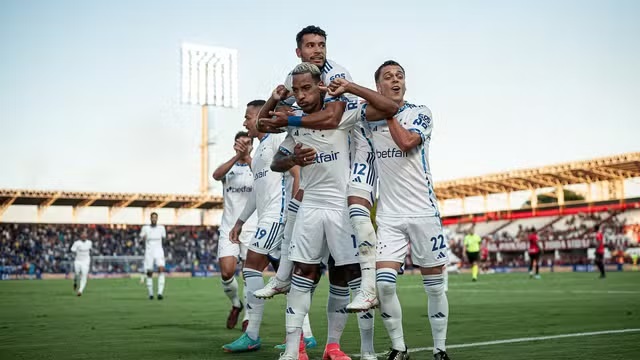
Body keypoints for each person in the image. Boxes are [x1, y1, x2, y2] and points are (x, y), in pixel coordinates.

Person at [269, 62, 397, 360]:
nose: (300, 95)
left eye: (307, 88)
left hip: (343, 206)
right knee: (304, 273)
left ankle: (364, 350)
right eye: (296, 90)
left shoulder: (343, 113)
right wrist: (291, 158)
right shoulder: (295, 124)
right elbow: (274, 152)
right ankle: (291, 352)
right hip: (311, 207)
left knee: (350, 275)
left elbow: (388, 108)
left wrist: (350, 88)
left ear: (320, 87)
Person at [326, 60, 452, 360]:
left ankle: (440, 349)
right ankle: (399, 347)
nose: (395, 80)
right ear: (379, 86)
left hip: (424, 212)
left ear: (404, 84)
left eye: (400, 76)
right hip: (390, 216)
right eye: (388, 77)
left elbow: (407, 142)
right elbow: (335, 126)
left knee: (434, 287)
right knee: (382, 285)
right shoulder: (368, 123)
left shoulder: (420, 112)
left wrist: (388, 111)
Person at [257, 25, 380, 313]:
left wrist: (289, 121)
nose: (317, 50)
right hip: (321, 152)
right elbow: (268, 122)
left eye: (321, 44)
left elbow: (332, 118)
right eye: (310, 45)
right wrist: (276, 103)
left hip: (354, 145)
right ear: (299, 51)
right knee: (295, 207)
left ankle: (370, 286)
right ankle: (283, 277)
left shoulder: (336, 73)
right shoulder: (295, 76)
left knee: (358, 214)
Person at [222, 100, 301, 353]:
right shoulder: (259, 156)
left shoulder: (278, 140)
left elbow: (297, 171)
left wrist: (295, 209)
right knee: (288, 277)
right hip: (268, 215)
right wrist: (240, 222)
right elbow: (256, 192)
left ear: (261, 117)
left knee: (253, 266)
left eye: (248, 117)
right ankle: (304, 336)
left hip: (279, 215)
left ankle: (252, 334)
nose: (245, 122)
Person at [212, 131, 258, 330]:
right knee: (226, 272)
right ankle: (236, 304)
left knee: (250, 273)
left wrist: (247, 157)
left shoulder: (257, 165)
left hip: (252, 227)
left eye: (247, 143)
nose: (244, 146)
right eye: (240, 143)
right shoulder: (229, 168)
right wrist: (237, 157)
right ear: (234, 145)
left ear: (252, 146)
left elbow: (265, 179)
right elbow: (216, 175)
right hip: (229, 227)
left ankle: (248, 315)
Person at [140, 212, 167, 300]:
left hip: (159, 250)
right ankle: (151, 294)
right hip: (149, 251)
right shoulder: (145, 228)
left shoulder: (161, 228)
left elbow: (164, 238)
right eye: (153, 217)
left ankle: (160, 293)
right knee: (149, 272)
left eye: (155, 217)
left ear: (157, 219)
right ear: (150, 218)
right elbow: (141, 237)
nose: (154, 219)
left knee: (161, 269)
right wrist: (144, 237)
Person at [70, 229, 92, 296]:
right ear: (80, 236)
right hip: (78, 261)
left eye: (85, 234)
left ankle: (80, 290)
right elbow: (72, 250)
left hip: (86, 261)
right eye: (83, 234)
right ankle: (75, 282)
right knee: (77, 273)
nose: (84, 236)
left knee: (84, 275)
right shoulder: (77, 243)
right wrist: (76, 252)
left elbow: (90, 250)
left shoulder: (90, 242)